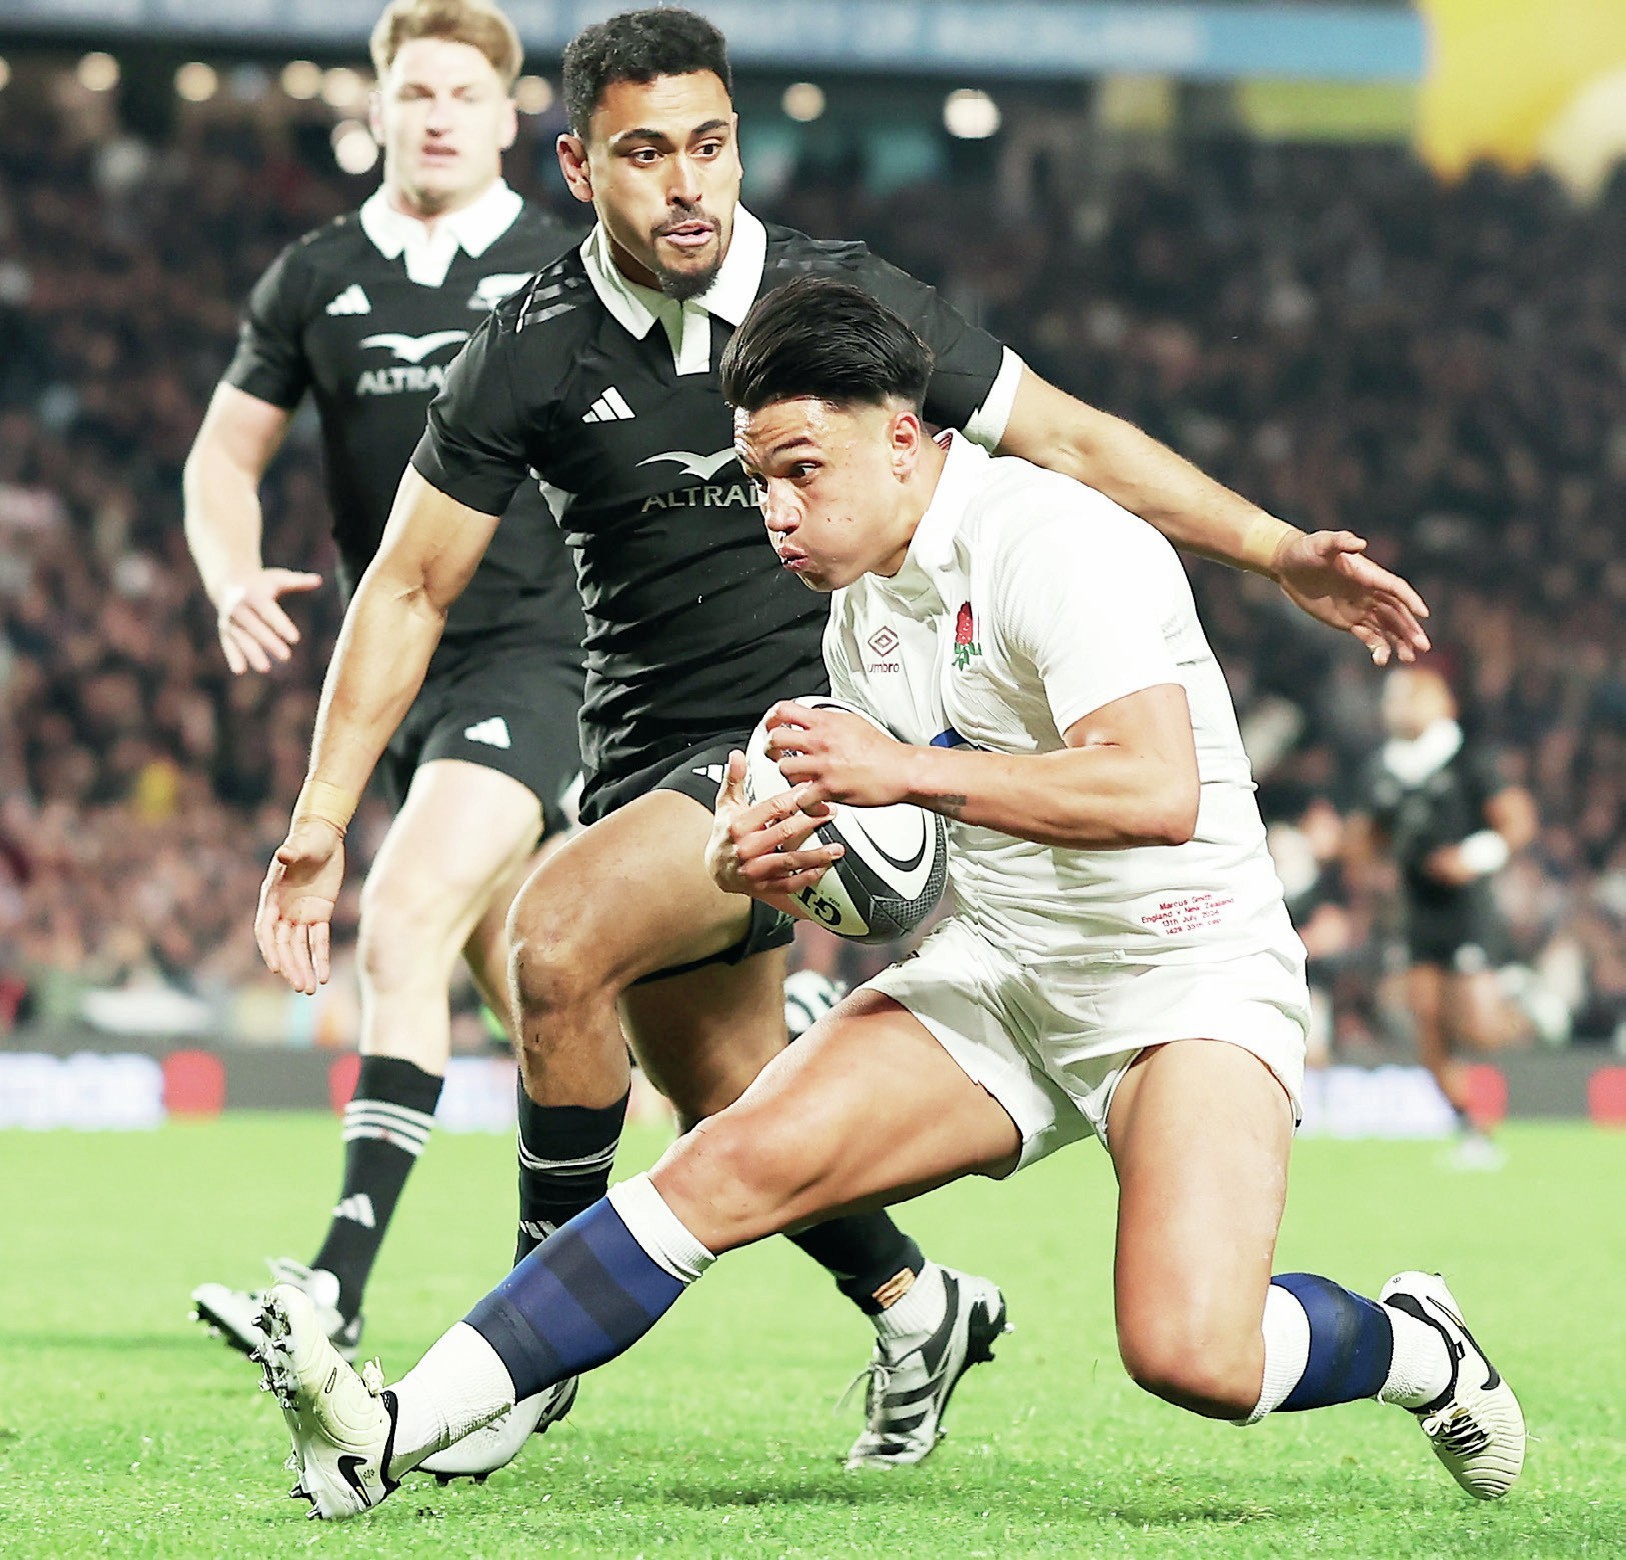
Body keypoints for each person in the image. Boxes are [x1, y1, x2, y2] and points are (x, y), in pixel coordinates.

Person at [251, 7, 1432, 1473]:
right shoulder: (543, 354)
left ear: (906, 433)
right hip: (742, 781)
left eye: (710, 145)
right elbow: (408, 584)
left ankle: (517, 1382)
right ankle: (904, 1309)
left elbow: (1068, 448)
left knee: (553, 941)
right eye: (645, 153)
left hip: (960, 837)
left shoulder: (896, 372)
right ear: (577, 167)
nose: (687, 182)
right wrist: (320, 818)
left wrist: (1268, 548)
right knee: (726, 1121)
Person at [183, 0, 587, 1408]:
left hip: (540, 657)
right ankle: (907, 1290)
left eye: (464, 94)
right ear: (380, 107)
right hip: (398, 679)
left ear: (506, 117)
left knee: (401, 921)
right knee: (561, 1012)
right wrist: (230, 572)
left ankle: (331, 1288)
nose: (437, 115)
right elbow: (221, 460)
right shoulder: (317, 276)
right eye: (416, 91)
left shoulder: (564, 269)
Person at [1348, 667, 1537, 1169]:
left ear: (1440, 703)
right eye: (1393, 699)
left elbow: (1517, 821)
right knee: (1426, 1022)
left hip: (1466, 908)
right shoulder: (1384, 768)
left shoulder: (1469, 759)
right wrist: (1358, 858)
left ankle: (1536, 1014)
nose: (1397, 708)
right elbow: (1367, 835)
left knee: (1477, 1025)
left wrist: (1472, 858)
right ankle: (1471, 1125)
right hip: (1416, 910)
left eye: (1409, 697)